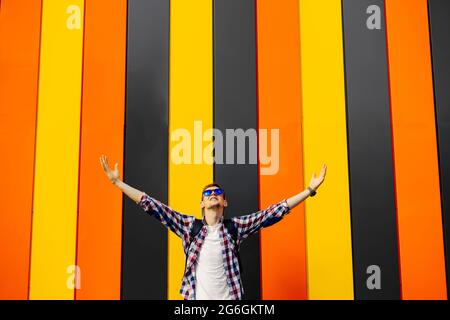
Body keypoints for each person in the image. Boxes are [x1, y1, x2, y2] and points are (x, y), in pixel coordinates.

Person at [99, 155, 326, 300]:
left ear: (224, 202)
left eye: (217, 193)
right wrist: (117, 183)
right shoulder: (189, 227)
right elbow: (151, 205)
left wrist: (309, 190)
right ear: (202, 203)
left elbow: (274, 212)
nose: (213, 195)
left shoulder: (235, 228)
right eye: (208, 194)